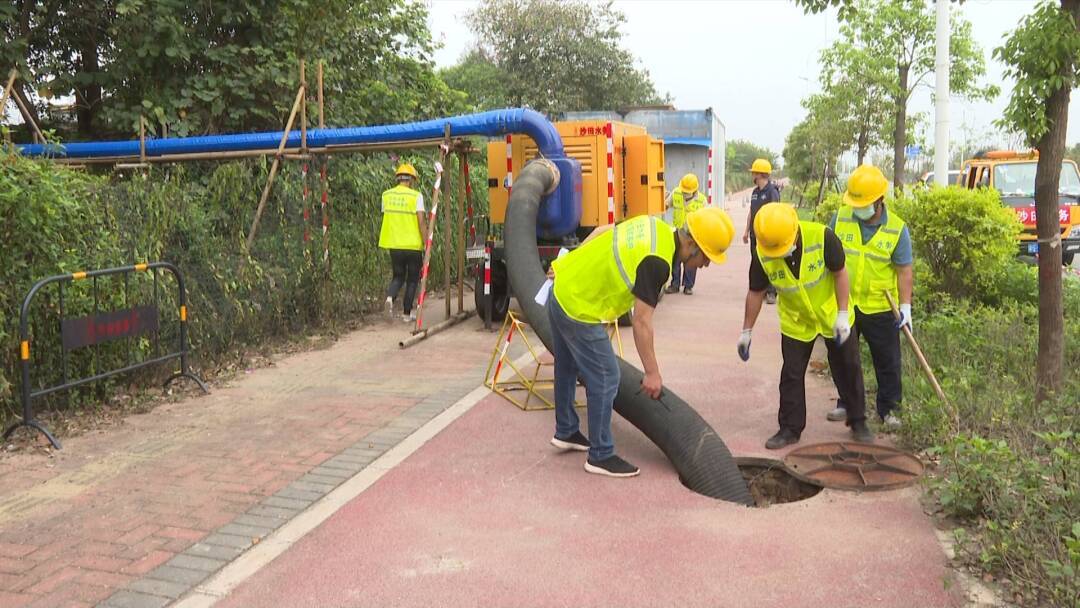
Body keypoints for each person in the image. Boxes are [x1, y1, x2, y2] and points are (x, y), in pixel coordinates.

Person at [548, 209, 735, 477]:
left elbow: (602, 231)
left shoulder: (653, 226)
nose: (705, 265)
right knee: (606, 376)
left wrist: (569, 262)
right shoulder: (658, 262)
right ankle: (600, 455)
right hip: (579, 307)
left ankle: (566, 430)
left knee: (566, 365)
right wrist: (652, 372)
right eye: (706, 257)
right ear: (691, 244)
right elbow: (642, 322)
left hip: (562, 287)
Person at [737, 202, 874, 449]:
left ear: (795, 232)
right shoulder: (763, 251)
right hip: (797, 320)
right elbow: (756, 292)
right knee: (791, 373)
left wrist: (843, 314)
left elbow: (840, 273)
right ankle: (789, 428)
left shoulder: (822, 237)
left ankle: (858, 421)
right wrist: (746, 331)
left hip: (832, 314)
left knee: (848, 365)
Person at [825, 164, 913, 429]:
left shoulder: (897, 229)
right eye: (855, 203)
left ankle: (890, 409)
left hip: (880, 305)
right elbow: (827, 256)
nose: (858, 208)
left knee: (888, 361)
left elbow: (904, 270)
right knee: (842, 357)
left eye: (863, 204)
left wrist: (906, 307)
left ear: (879, 200)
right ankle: (847, 402)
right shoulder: (841, 218)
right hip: (845, 303)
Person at [378, 163, 428, 322]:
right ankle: (407, 314)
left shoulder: (386, 195)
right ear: (411, 180)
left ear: (398, 179)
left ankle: (389, 298)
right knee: (412, 279)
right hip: (413, 245)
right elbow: (421, 222)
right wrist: (426, 242)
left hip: (394, 244)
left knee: (398, 276)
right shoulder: (416, 196)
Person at [742, 158, 781, 304]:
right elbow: (751, 212)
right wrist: (746, 231)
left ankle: (771, 292)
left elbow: (775, 213)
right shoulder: (755, 192)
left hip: (767, 235)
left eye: (754, 172)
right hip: (755, 234)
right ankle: (760, 289)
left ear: (760, 174)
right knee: (756, 262)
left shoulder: (772, 192)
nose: (752, 175)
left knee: (769, 262)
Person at [665, 173, 707, 295]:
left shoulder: (702, 201)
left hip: (693, 236)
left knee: (691, 261)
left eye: (687, 192)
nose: (685, 193)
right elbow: (666, 204)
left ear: (695, 190)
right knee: (675, 260)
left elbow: (706, 219)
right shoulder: (676, 193)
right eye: (684, 191)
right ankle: (675, 284)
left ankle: (688, 286)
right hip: (678, 233)